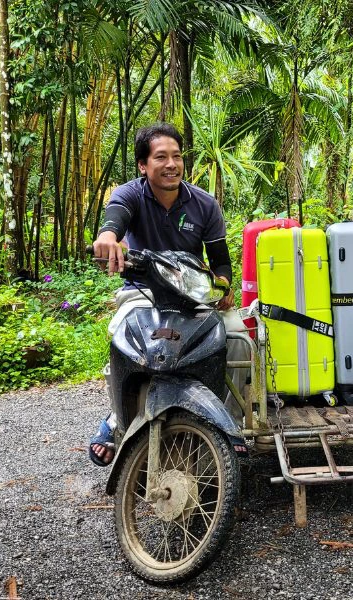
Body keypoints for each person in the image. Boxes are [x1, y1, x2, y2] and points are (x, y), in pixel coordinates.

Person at [88, 122, 235, 466]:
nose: (171, 164)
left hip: (193, 296)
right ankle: (118, 418)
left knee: (238, 337)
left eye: (177, 156)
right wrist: (108, 237)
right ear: (143, 165)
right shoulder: (129, 194)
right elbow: (114, 221)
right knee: (122, 336)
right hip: (142, 292)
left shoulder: (204, 204)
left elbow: (222, 263)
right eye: (161, 157)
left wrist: (223, 285)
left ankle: (227, 421)